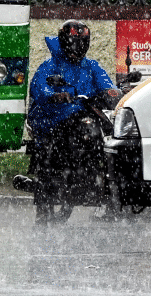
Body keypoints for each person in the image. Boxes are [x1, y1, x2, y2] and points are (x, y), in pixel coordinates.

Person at [17, 20, 119, 211]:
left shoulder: (91, 66)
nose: (78, 47)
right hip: (53, 117)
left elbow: (106, 83)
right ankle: (46, 187)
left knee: (104, 136)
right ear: (64, 42)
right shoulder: (50, 66)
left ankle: (100, 180)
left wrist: (114, 93)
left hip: (83, 113)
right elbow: (40, 86)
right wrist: (54, 95)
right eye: (74, 42)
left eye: (82, 42)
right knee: (58, 142)